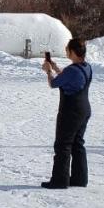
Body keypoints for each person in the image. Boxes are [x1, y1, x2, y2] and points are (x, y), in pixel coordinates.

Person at [40, 38, 92, 189]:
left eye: (67, 49)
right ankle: (79, 179)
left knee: (63, 145)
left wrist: (48, 71)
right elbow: (69, 78)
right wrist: (56, 67)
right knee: (77, 144)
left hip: (70, 111)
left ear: (73, 52)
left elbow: (53, 83)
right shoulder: (86, 67)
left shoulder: (72, 70)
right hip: (84, 110)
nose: (66, 52)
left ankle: (60, 180)